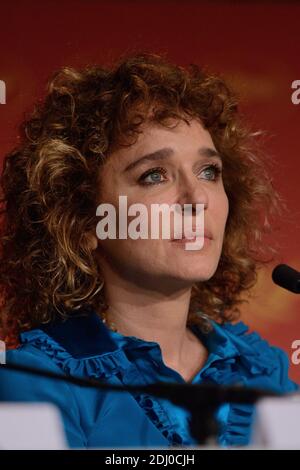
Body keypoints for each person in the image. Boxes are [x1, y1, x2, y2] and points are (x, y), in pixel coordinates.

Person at [0, 51, 298, 449]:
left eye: (209, 171)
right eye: (154, 175)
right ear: (84, 222)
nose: (197, 198)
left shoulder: (263, 371)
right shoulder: (35, 384)